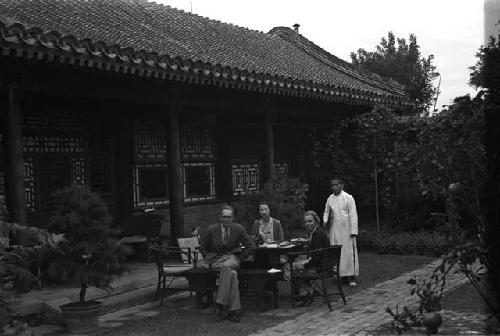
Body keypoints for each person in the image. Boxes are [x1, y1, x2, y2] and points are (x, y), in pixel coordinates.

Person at [199, 205, 250, 322]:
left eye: (229, 217)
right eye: (224, 217)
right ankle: (233, 311)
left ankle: (220, 304)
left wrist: (240, 259)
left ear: (233, 218)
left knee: (227, 266)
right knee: (232, 274)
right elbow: (202, 247)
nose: (227, 219)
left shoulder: (239, 229)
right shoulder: (212, 229)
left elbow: (249, 247)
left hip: (232, 258)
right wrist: (208, 258)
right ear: (220, 218)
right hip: (216, 260)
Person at [323, 178, 359, 287]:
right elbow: (326, 213)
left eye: (336, 185)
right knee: (337, 254)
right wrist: (326, 223)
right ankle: (341, 276)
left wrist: (353, 230)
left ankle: (351, 277)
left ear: (341, 185)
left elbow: (353, 214)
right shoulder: (330, 199)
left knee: (348, 254)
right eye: (332, 185)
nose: (334, 187)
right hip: (334, 231)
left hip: (346, 231)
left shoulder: (348, 198)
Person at [290, 210, 330, 305]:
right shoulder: (317, 232)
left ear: (316, 221)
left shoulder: (317, 235)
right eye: (306, 222)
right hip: (326, 264)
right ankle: (308, 293)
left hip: (321, 267)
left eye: (310, 221)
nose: (307, 224)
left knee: (291, 269)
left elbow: (316, 258)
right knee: (296, 266)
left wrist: (305, 266)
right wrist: (308, 246)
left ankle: (309, 291)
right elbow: (317, 253)